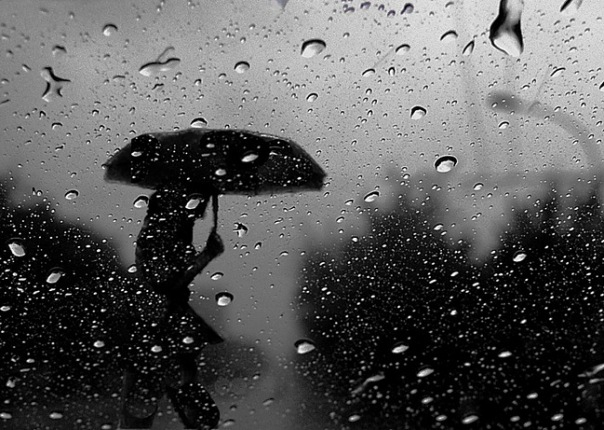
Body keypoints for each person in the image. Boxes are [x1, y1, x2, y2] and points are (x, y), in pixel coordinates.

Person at [122, 185, 224, 429]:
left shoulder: (170, 232)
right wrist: (206, 257)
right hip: (157, 318)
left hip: (161, 319)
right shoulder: (158, 234)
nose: (198, 213)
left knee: (173, 373)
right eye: (195, 205)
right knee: (150, 385)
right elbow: (165, 284)